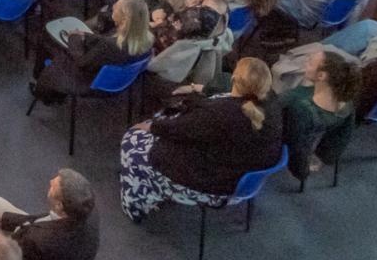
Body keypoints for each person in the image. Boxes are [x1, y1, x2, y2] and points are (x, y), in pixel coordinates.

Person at [118, 57, 282, 223]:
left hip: (212, 186)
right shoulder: (271, 103)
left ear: (234, 79)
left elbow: (177, 129)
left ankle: (136, 205)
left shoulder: (218, 115)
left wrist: (151, 127)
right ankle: (151, 190)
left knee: (132, 140)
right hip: (243, 179)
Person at [32, 0, 153, 104]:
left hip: (89, 81)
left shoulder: (109, 45)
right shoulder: (148, 39)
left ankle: (43, 92)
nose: (113, 8)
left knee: (46, 41)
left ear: (125, 20)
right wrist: (88, 37)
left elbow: (81, 62)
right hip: (120, 81)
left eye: (115, 9)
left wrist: (74, 38)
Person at [279, 50, 360, 182]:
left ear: (321, 76)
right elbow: (341, 140)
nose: (306, 64)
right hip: (316, 153)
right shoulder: (346, 105)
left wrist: (301, 171)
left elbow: (296, 146)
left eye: (310, 63)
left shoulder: (298, 106)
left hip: (285, 148)